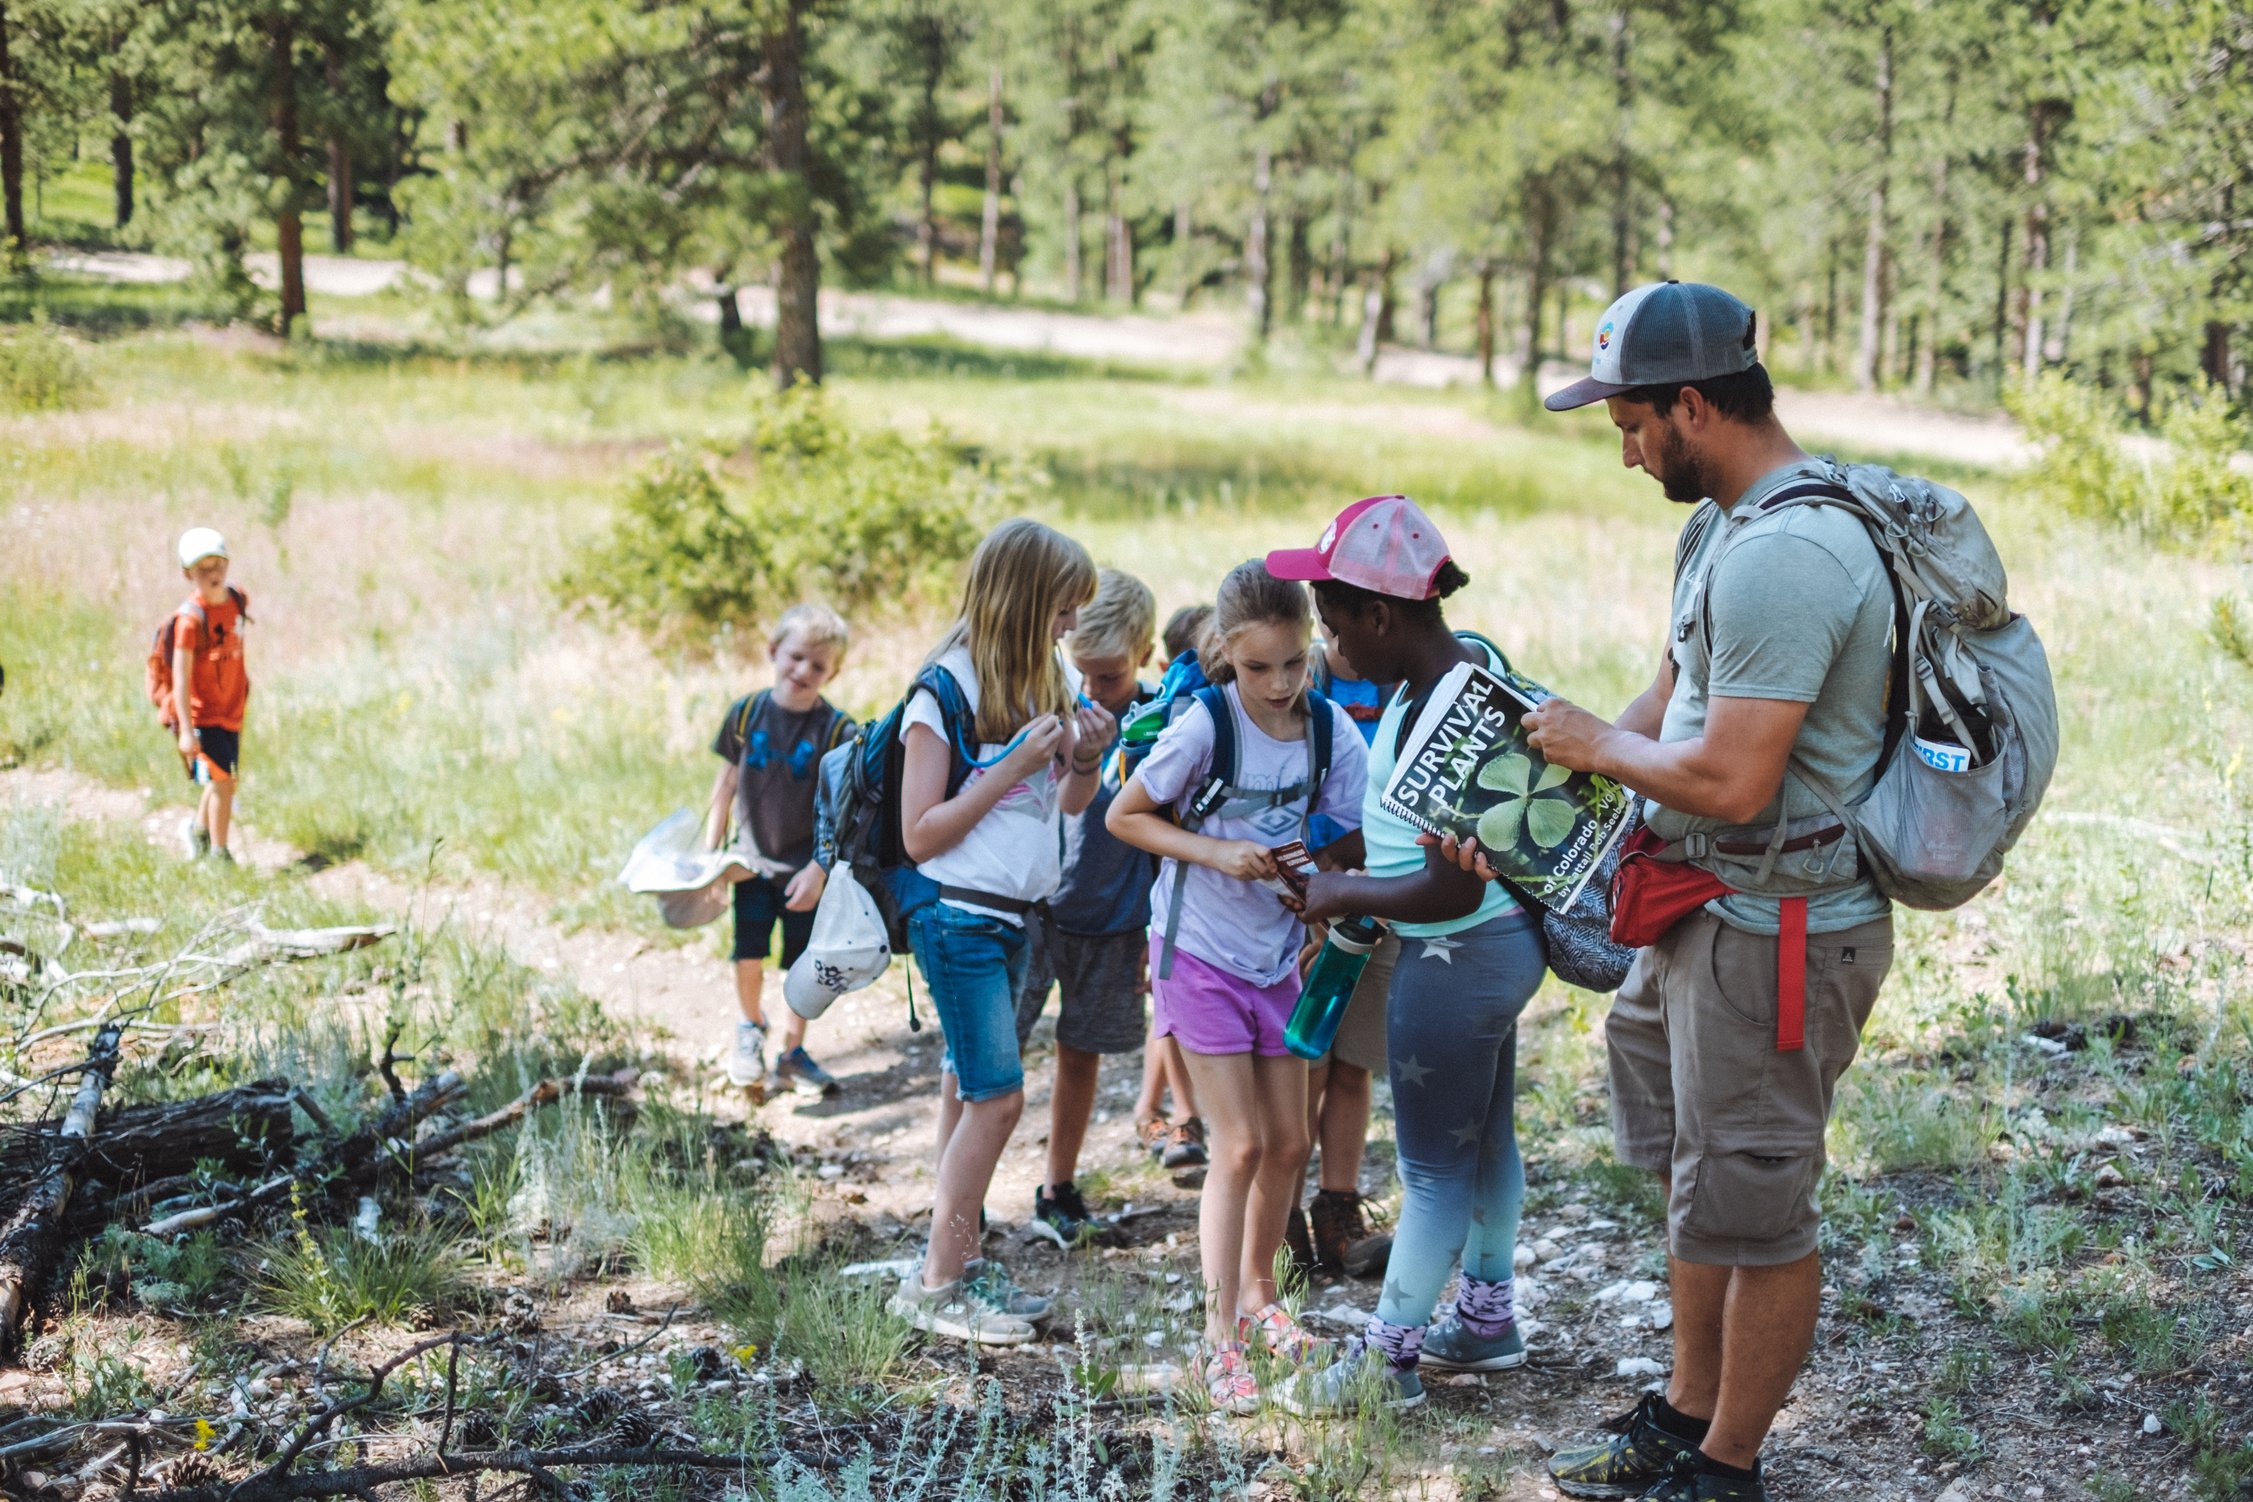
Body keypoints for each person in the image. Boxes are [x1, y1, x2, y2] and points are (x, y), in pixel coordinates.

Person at [1522, 282, 1898, 1502]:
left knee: (1762, 1194)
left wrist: (1595, 746)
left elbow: (1735, 777)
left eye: (1632, 423)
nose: (1627, 451)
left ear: (1694, 402)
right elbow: (1666, 708)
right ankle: (1687, 1414)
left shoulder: (1790, 553)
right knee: (1701, 1173)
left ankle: (1727, 1465)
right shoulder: (1720, 530)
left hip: (1780, 926)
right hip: (1700, 906)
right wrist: (1540, 789)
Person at [1263, 495, 1547, 1415]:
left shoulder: (1437, 718)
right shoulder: (1458, 678)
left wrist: (1342, 894)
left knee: (1428, 1170)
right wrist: (1353, 849)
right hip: (1495, 950)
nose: (1326, 639)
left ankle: (1385, 1366)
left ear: (1381, 616)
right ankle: (1487, 1317)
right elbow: (1425, 838)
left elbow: (1448, 887)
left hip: (1454, 954)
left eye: (1333, 619)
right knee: (1482, 1141)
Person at [1108, 561, 1367, 1414]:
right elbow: (1125, 816)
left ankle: (1262, 1300)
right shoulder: (1203, 725)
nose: (1281, 685)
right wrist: (1217, 852)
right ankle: (1218, 1338)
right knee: (1241, 1145)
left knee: (1291, 1144)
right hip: (1199, 953)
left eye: (1295, 663)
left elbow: (1354, 833)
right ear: (1226, 654)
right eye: (1259, 668)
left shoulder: (1329, 731)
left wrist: (1317, 886)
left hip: (1276, 957)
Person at [886, 518, 1110, 1347]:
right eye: (1061, 611)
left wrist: (1085, 758)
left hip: (1015, 917)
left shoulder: (1041, 678)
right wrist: (1008, 767)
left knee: (963, 1085)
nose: (1070, 629)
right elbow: (920, 833)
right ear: (1021, 604)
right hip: (956, 918)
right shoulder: (938, 693)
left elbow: (1072, 806)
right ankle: (939, 1285)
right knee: (999, 1096)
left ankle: (954, 1259)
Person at [1012, 568, 1161, 1248]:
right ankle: (961, 1194)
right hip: (1032, 907)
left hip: (1114, 917)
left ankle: (1058, 1186)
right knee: (990, 1056)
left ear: (1144, 652)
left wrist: (1156, 938)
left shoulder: (1164, 719)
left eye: (1109, 677)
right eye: (1083, 676)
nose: (1094, 692)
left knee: (1081, 1052)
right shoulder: (1044, 703)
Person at [704, 603, 855, 1097]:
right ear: (773, 651)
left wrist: (822, 869)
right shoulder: (746, 714)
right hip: (748, 864)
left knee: (802, 967)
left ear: (833, 671)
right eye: (795, 657)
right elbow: (723, 789)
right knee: (747, 955)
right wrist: (711, 859)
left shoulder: (836, 730)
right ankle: (750, 1027)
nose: (803, 671)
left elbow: (842, 810)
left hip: (803, 872)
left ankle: (792, 1053)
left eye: (818, 665)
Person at [1287, 629, 1397, 1280]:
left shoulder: (1403, 680)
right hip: (1304, 898)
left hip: (1382, 895)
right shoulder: (1300, 682)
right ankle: (1281, 1215)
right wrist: (1315, 888)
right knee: (1306, 1064)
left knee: (1354, 1064)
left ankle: (1338, 1210)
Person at [1130, 603, 1214, 1172]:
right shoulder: (1178, 718)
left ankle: (1157, 1107)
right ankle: (1179, 1113)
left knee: (1168, 1003)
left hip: (1167, 879)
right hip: (1170, 882)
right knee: (1170, 1004)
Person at [170, 528, 249, 863]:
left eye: (218, 565)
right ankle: (219, 855)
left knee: (223, 779)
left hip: (232, 708)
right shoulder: (190, 620)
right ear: (188, 574)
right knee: (223, 781)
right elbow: (181, 677)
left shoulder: (237, 601)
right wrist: (186, 731)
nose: (214, 574)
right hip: (205, 715)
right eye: (203, 569)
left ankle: (198, 831)